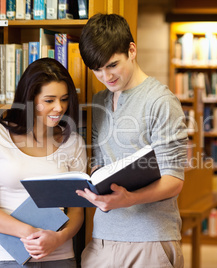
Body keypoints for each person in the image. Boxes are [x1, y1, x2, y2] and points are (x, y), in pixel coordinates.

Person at [76, 13, 188, 267]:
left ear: (132, 50)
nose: (106, 76)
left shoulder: (161, 101)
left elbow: (174, 180)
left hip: (150, 239)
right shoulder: (99, 102)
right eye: (97, 70)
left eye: (112, 65)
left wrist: (130, 198)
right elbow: (100, 161)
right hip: (103, 239)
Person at [0, 58, 86, 268]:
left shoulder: (73, 142)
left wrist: (59, 238)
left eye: (64, 99)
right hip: (6, 256)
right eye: (49, 100)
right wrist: (28, 233)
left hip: (59, 256)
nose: (59, 107)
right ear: (30, 99)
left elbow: (76, 210)